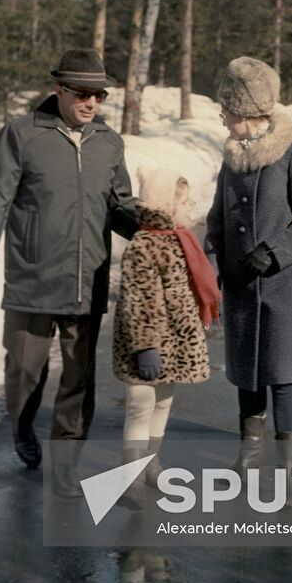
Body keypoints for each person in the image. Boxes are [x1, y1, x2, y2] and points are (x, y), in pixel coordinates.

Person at [0, 48, 138, 498]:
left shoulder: (109, 142)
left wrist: (151, 228)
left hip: (86, 280)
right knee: (24, 371)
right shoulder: (21, 136)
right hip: (31, 282)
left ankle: (65, 462)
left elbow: (120, 206)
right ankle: (22, 430)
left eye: (98, 94)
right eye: (82, 93)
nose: (91, 102)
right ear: (58, 89)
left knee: (78, 378)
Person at [205, 56, 292, 498]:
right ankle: (248, 456)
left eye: (227, 110)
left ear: (247, 113)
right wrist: (208, 264)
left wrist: (276, 250)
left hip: (287, 287)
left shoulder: (291, 154)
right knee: (247, 373)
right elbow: (217, 220)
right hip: (243, 286)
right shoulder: (232, 158)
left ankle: (290, 469)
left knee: (283, 375)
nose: (222, 117)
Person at [113, 166, 216, 504]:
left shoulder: (179, 238)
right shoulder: (145, 244)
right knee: (140, 406)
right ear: (164, 205)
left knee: (164, 401)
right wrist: (145, 347)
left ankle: (150, 461)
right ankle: (131, 478)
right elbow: (139, 301)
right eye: (183, 203)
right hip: (147, 346)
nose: (190, 209)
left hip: (175, 343)